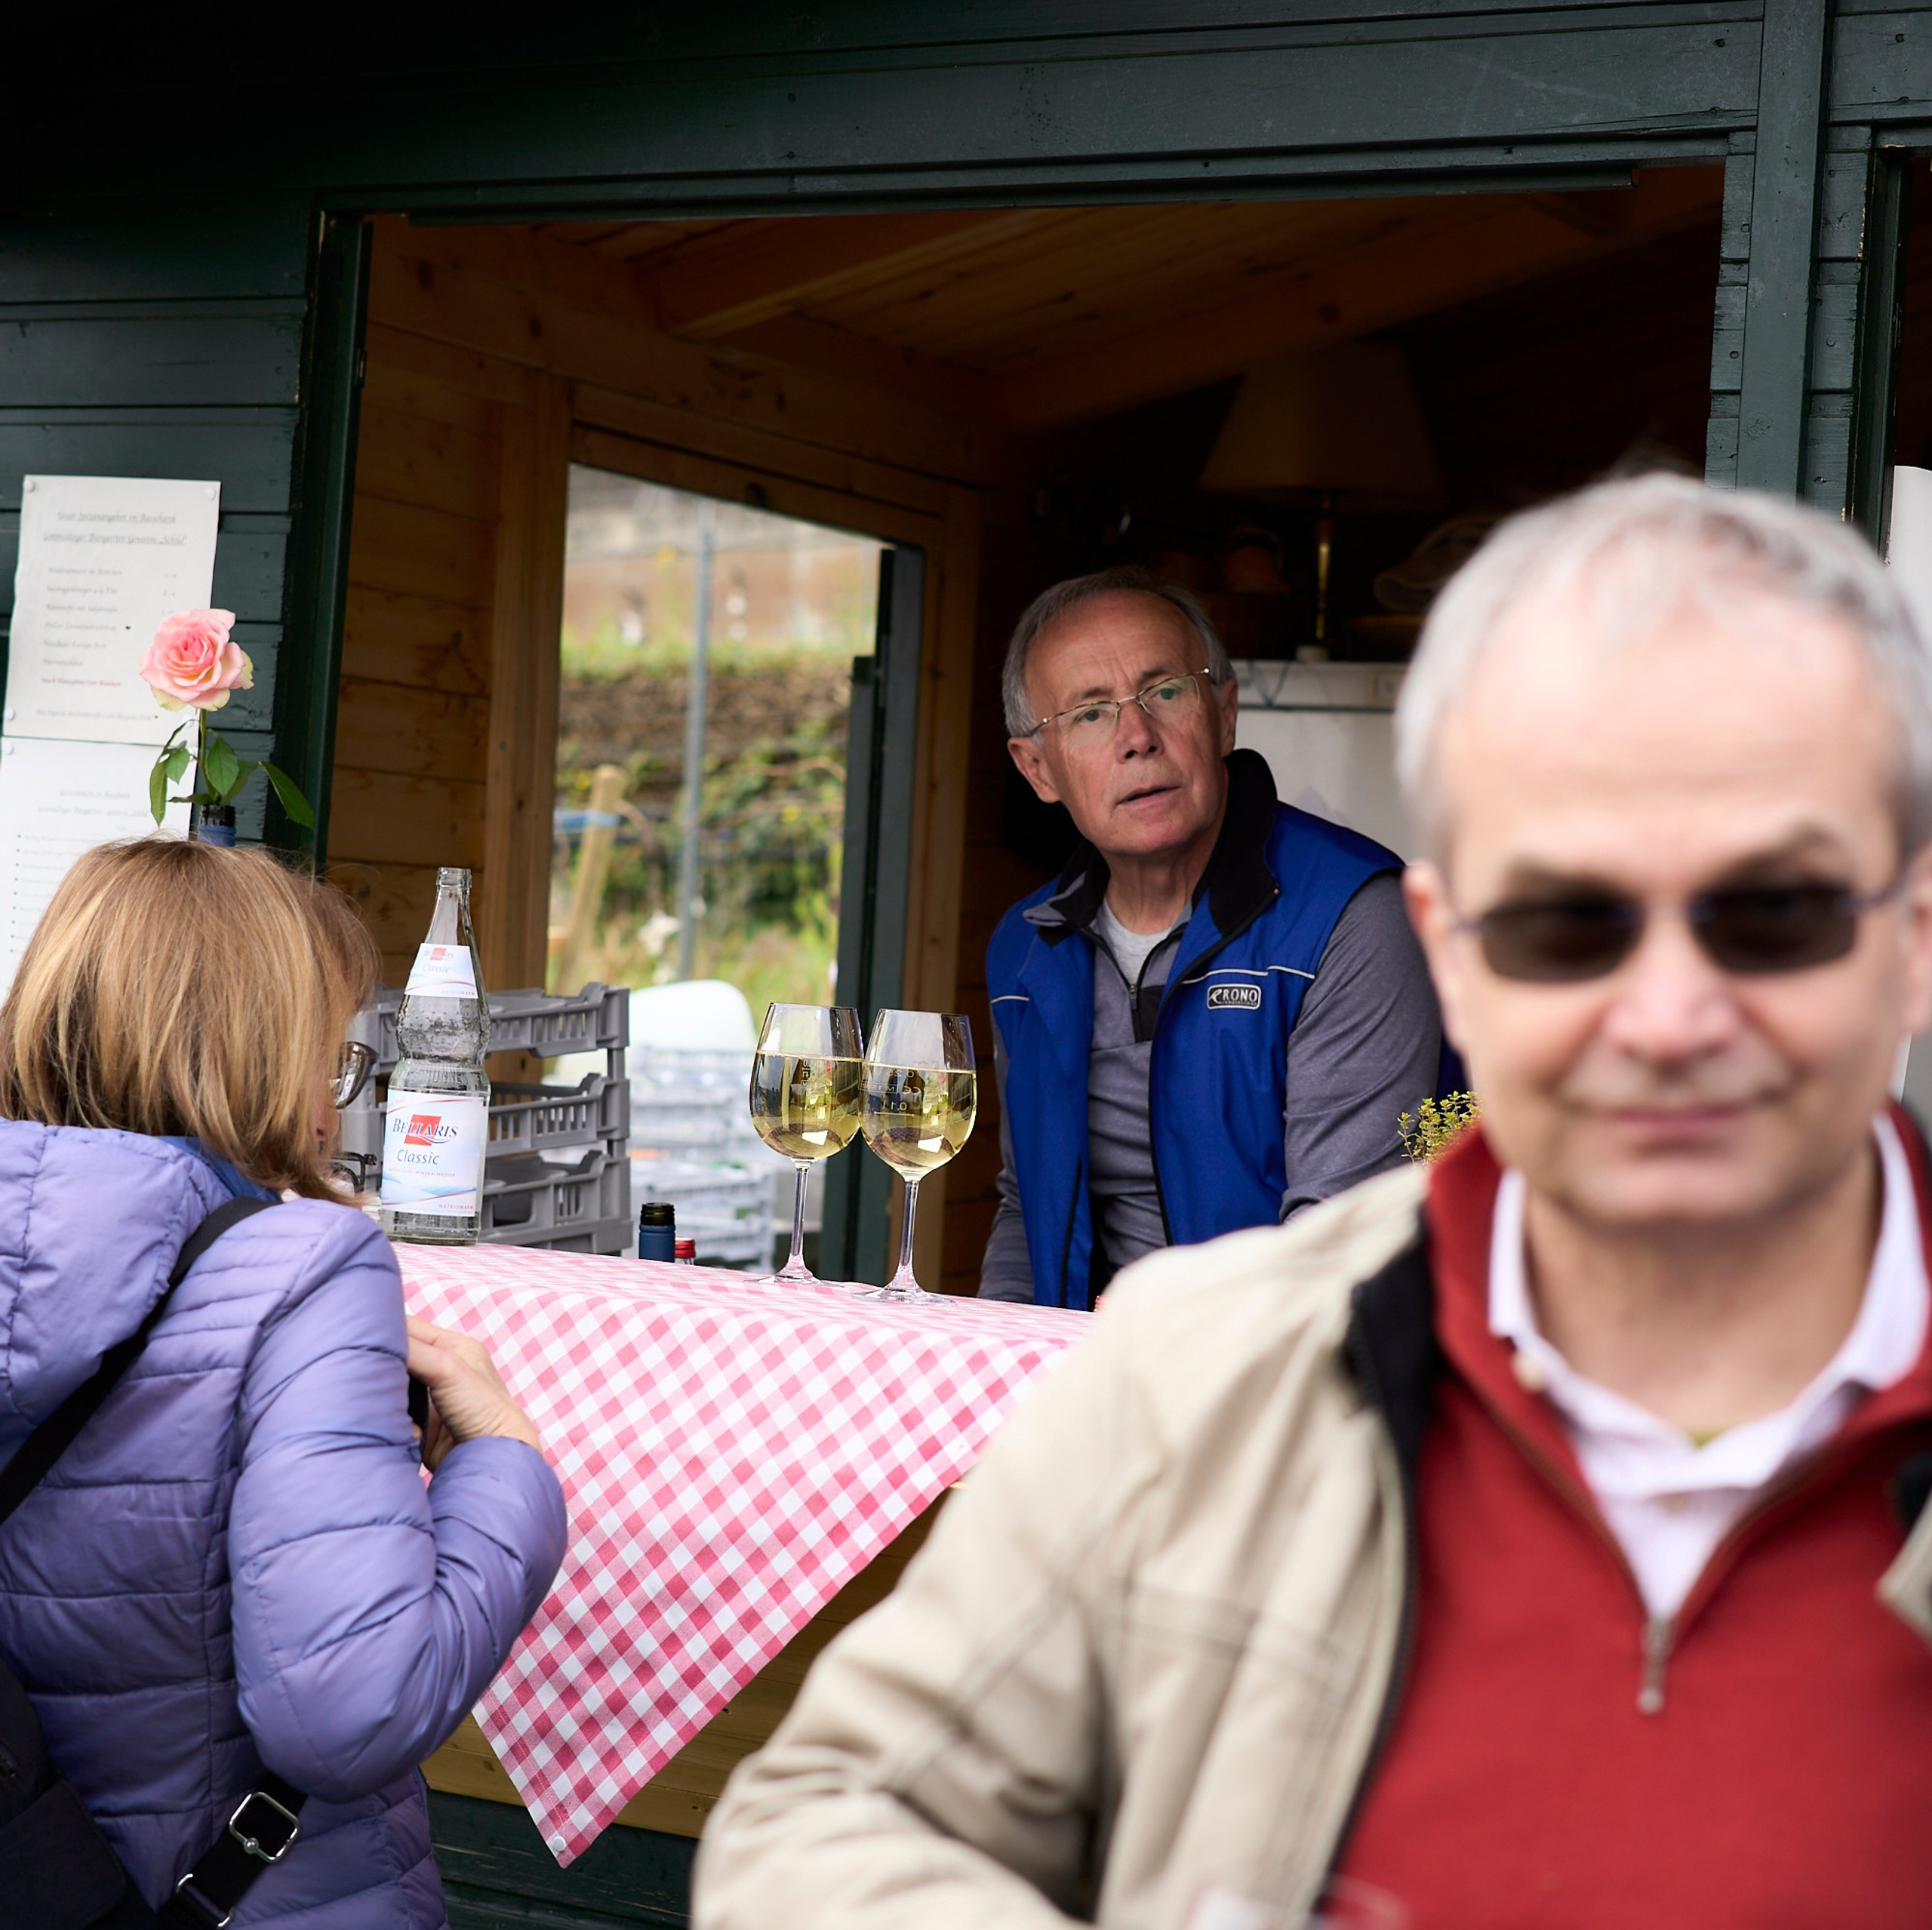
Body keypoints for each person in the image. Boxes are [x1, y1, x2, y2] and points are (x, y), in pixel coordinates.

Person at [693, 476, 1932, 1928]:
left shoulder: (1319, 959)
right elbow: (813, 1832)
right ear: (1454, 944)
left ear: (1910, 942)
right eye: (1564, 919)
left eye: (1769, 909)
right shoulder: (1198, 1385)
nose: (1667, 1011)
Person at [0, 839, 567, 1926]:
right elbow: (350, 1710)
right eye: (333, 1059)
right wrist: (505, 1462)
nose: (329, 1109)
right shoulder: (306, 1267)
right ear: (261, 1055)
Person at [980, 567, 1441, 1307]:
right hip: (1095, 1368)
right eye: (1090, 714)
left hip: (1291, 1377)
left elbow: (1343, 1243)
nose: (1138, 737)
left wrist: (1161, 1333)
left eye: (1165, 692)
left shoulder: (1353, 915)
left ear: (1224, 714)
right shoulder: (1025, 949)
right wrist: (994, 1370)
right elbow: (1022, 1207)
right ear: (1038, 768)